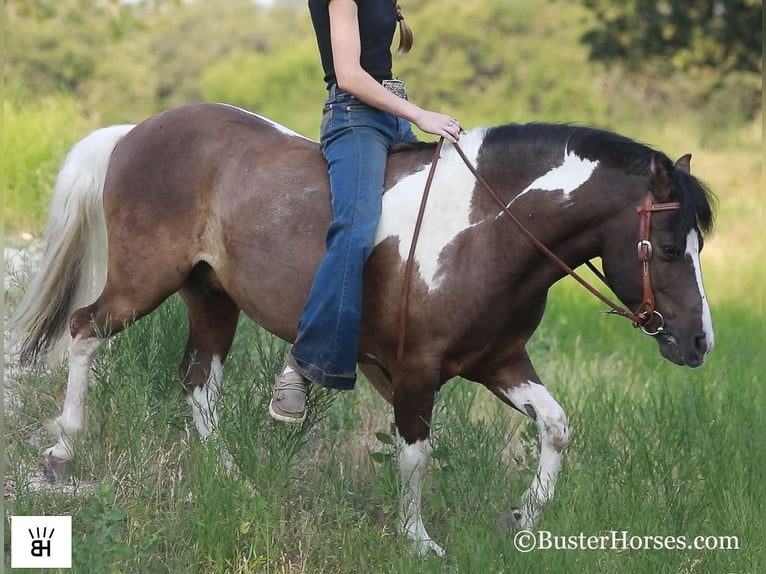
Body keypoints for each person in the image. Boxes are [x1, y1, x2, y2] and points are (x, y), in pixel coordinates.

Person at [269, 0, 462, 423]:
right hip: (355, 119)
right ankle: (299, 367)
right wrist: (421, 115)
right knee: (356, 230)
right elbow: (351, 75)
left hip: (392, 118)